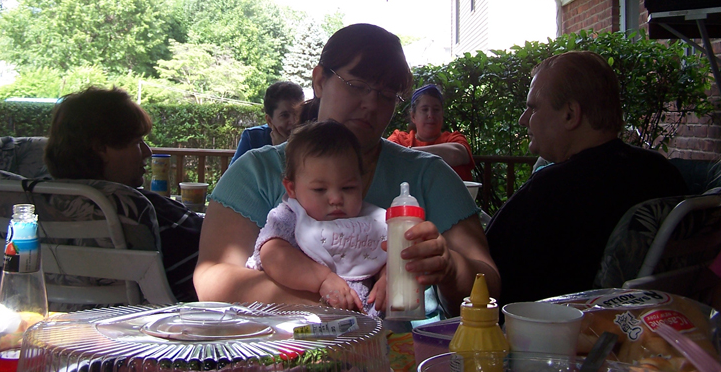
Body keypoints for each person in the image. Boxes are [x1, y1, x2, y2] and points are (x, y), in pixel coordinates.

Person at [195, 23, 499, 323]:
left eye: (386, 94)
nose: (371, 104)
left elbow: (490, 284)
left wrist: (449, 268)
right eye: (358, 85)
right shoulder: (256, 173)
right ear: (320, 81)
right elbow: (213, 279)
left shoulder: (430, 176)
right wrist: (335, 310)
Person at [485, 51, 687, 306]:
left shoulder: (552, 193)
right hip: (647, 330)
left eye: (533, 107)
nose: (523, 119)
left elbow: (482, 281)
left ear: (570, 114)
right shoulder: (662, 172)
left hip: (553, 337)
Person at [44, 86, 203, 302]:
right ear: (101, 149)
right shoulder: (141, 209)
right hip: (148, 326)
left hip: (59, 324)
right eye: (137, 143)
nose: (147, 152)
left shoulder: (35, 203)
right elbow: (216, 248)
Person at [246, 120, 387, 318]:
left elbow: (384, 254)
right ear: (292, 189)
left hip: (365, 334)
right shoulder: (291, 217)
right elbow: (272, 254)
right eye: (320, 189)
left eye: (348, 188)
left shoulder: (370, 220)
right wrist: (322, 280)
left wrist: (388, 276)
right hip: (303, 330)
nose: (336, 199)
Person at [388, 84, 476, 181]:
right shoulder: (399, 139)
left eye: (436, 110)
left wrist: (407, 154)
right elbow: (387, 159)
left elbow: (456, 155)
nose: (431, 115)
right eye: (425, 109)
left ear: (442, 114)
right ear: (413, 116)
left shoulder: (454, 139)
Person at [230, 81, 304, 164]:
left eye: (298, 113)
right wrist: (279, 151)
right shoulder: (253, 138)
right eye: (285, 115)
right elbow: (233, 175)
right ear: (269, 121)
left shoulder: (309, 138)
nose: (294, 121)